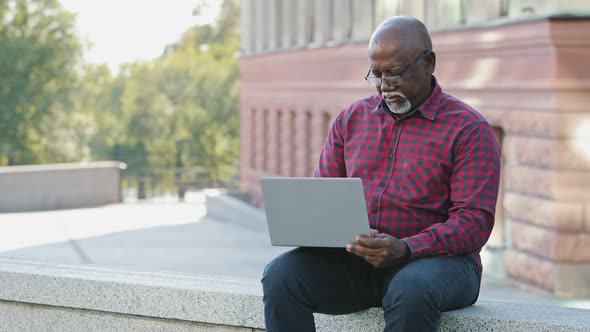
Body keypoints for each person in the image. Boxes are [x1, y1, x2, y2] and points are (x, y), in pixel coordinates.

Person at [261, 16, 501, 332]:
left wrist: (407, 248)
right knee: (281, 276)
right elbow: (325, 200)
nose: (385, 86)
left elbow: (473, 224)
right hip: (359, 264)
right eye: (376, 75)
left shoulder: (469, 130)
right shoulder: (351, 121)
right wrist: (318, 231)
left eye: (396, 74)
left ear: (429, 63)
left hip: (441, 265)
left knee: (411, 289)